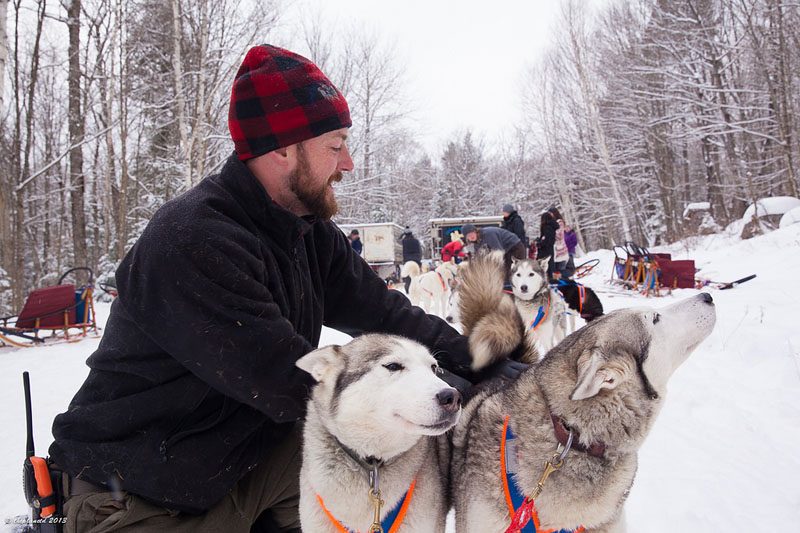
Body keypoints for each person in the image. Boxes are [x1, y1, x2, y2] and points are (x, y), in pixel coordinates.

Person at [48, 44, 520, 533]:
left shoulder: (305, 231)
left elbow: (386, 314)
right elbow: (285, 375)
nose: (349, 163)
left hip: (242, 462)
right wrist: (448, 394)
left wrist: (490, 364)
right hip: (140, 487)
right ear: (281, 149)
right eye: (335, 145)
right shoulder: (193, 239)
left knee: (396, 472)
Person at [461, 223, 526, 265]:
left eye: (471, 234)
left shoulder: (488, 234)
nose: (470, 237)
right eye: (468, 236)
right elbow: (479, 257)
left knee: (508, 271)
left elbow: (498, 252)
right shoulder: (476, 243)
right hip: (505, 251)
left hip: (515, 248)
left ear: (475, 231)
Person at [536, 207, 569, 281]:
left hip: (559, 249)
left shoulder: (558, 223)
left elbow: (559, 235)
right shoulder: (551, 224)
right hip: (553, 249)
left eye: (550, 213)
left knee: (560, 270)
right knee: (555, 270)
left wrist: (545, 240)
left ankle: (565, 284)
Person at [398, 227, 422, 291]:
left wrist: (402, 233)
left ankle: (408, 289)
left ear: (405, 235)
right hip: (416, 261)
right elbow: (420, 250)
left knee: (408, 276)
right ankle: (418, 289)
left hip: (407, 260)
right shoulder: (416, 241)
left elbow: (398, 240)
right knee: (416, 276)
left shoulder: (404, 241)